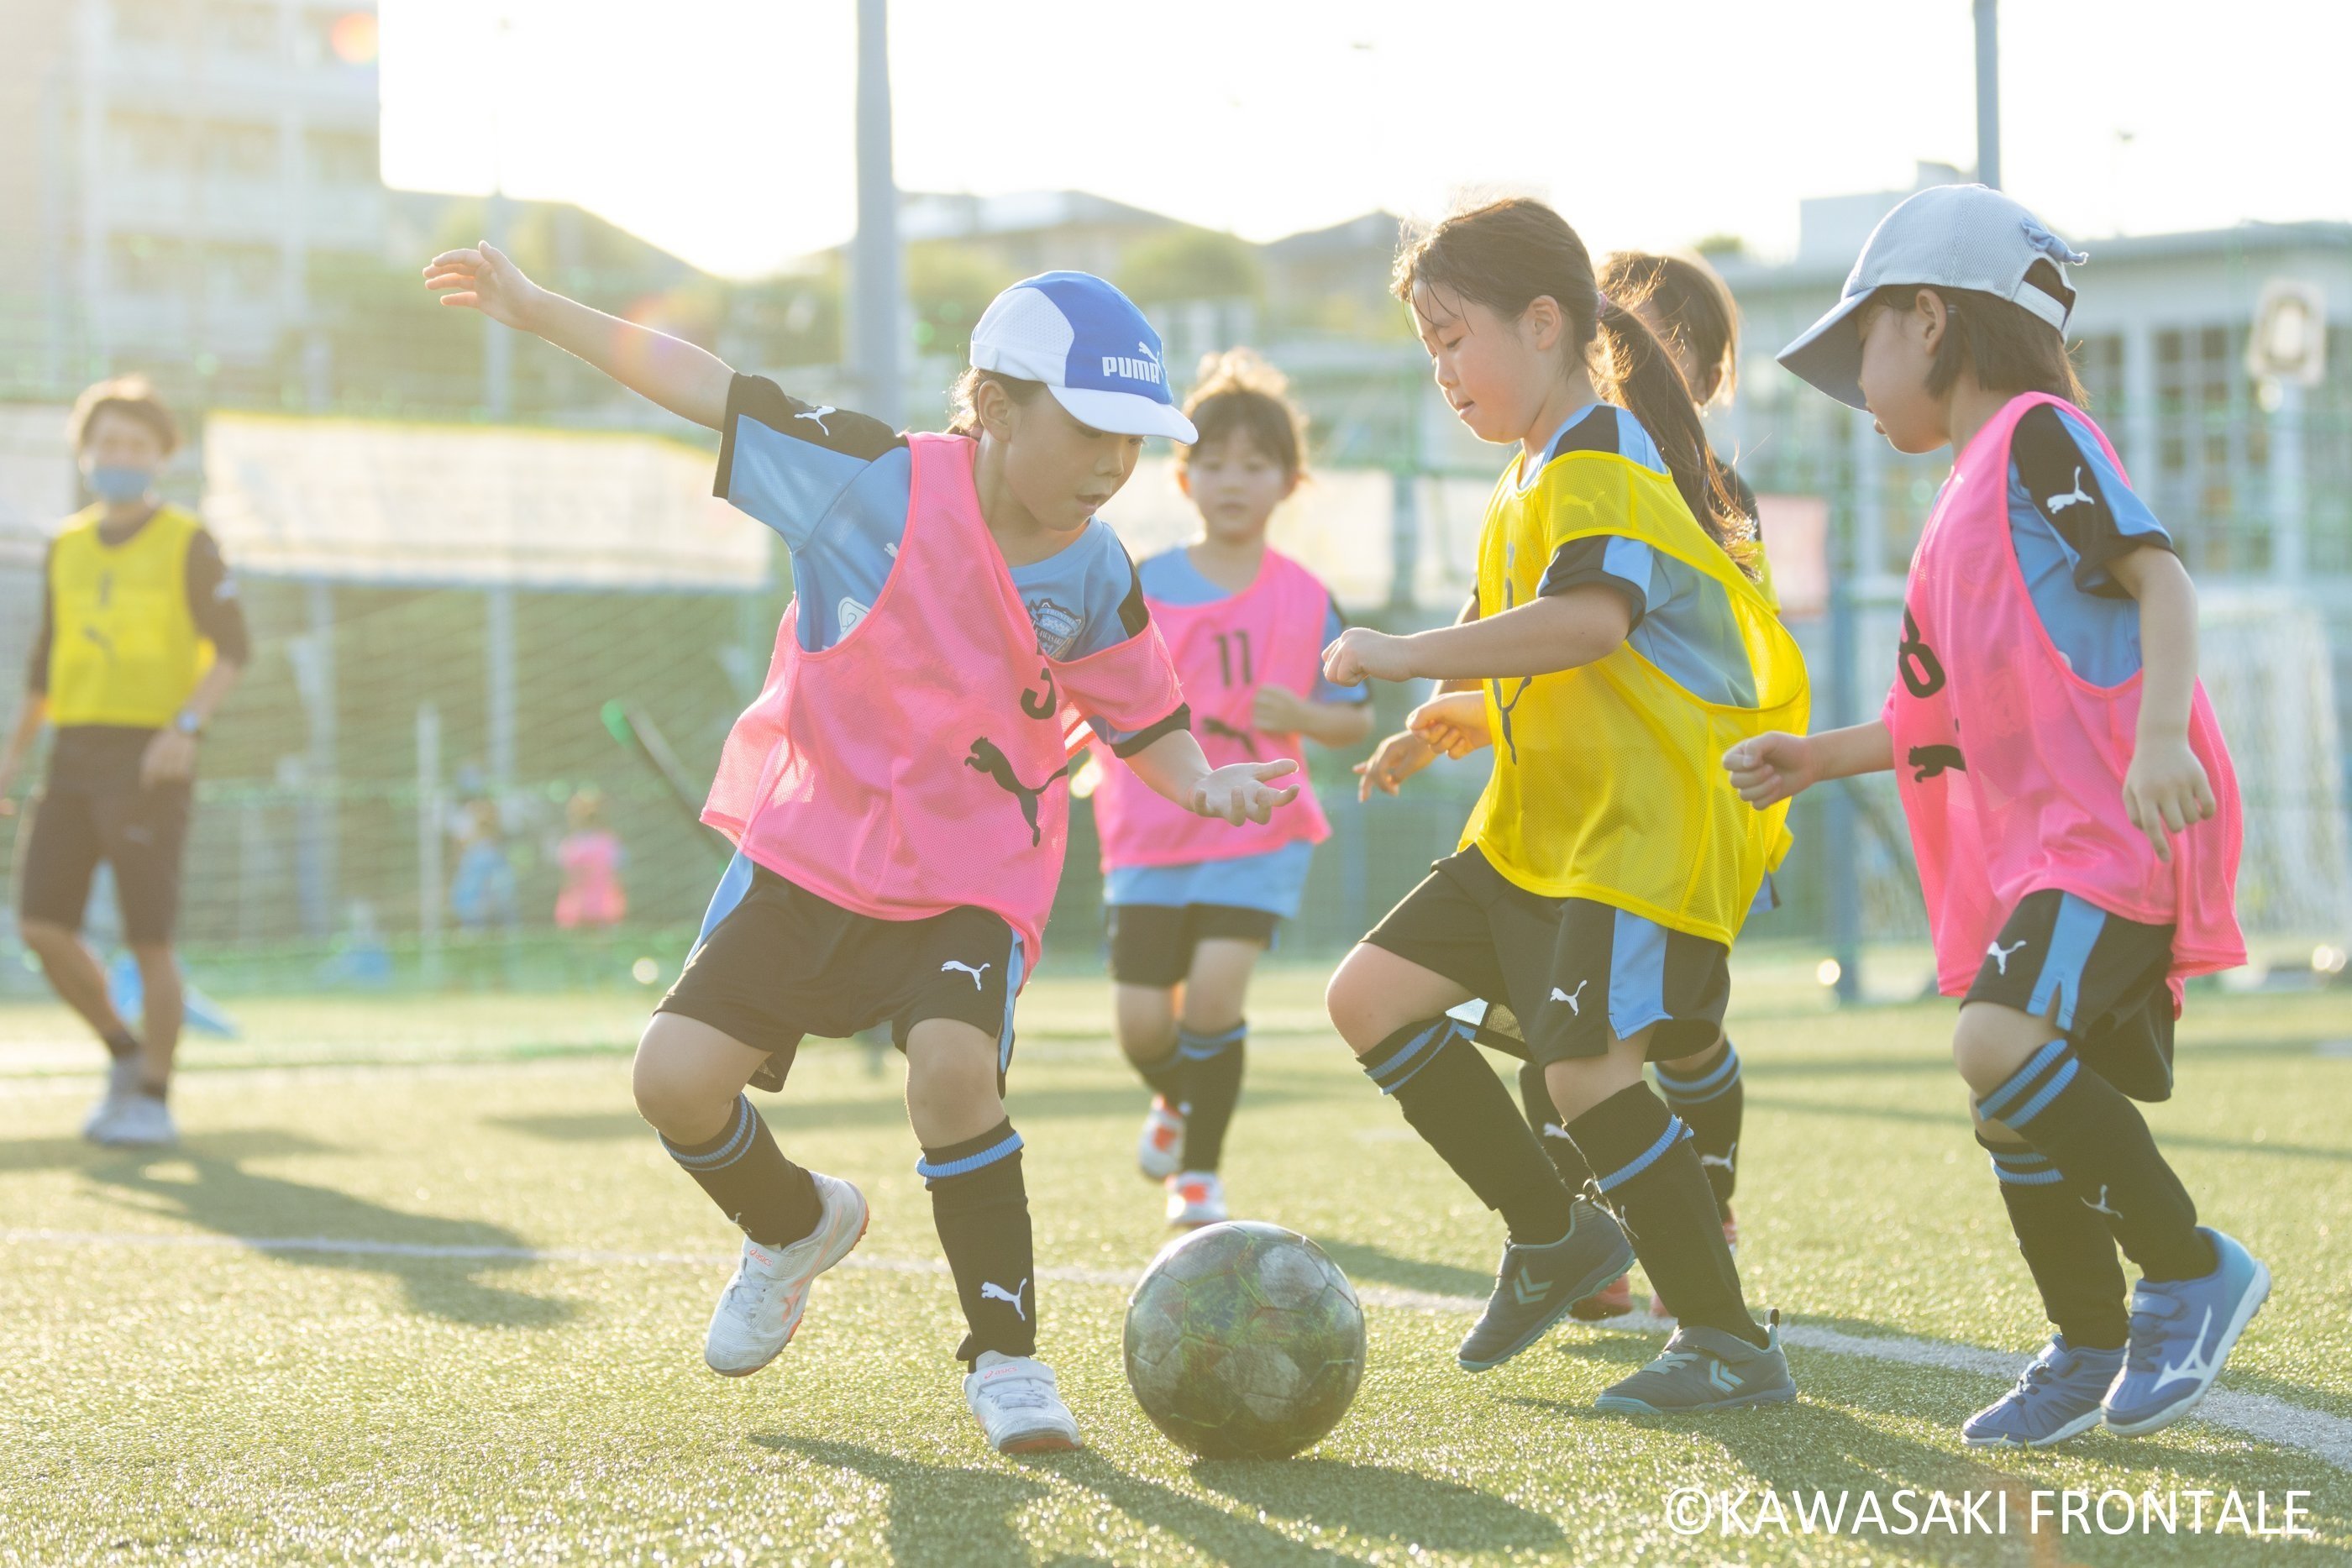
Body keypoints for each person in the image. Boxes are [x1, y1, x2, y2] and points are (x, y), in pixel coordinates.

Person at [424, 244, 1296, 1455]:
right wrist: (538, 305)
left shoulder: (1098, 570)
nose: (1114, 460)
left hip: (973, 869)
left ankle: (1009, 1357)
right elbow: (708, 385)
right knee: (672, 1079)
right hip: (809, 846)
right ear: (992, 406)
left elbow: (1143, 715)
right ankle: (794, 1225)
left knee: (951, 1071)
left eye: (1134, 437)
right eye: (1090, 424)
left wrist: (1209, 784)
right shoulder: (862, 481)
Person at [1730, 184, 2260, 1446]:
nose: (1857, 381)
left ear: (1929, 320)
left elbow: (2163, 577)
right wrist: (1817, 757)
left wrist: (2154, 739)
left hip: (2110, 833)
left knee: (1991, 1043)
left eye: (1862, 341)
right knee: (2003, 1090)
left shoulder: (2037, 433)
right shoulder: (1960, 502)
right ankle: (2085, 1344)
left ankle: (2188, 1268)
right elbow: (1948, 716)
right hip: (2043, 856)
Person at [1324, 197, 1807, 1413]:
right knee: (1368, 996)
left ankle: (1727, 1336)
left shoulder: (1599, 454)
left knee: (1590, 1074)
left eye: (1451, 336)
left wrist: (1408, 650)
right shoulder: (1534, 467)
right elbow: (1589, 667)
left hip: (1635, 839)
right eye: (1425, 345)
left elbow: (1594, 621)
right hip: (1546, 830)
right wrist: (1461, 715)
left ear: (1545, 322)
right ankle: (1555, 1233)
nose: (1440, 369)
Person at [1089, 350, 1372, 1228]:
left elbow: (1352, 717)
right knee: (1144, 1027)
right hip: (1148, 829)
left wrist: (1307, 714)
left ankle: (1199, 1176)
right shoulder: (1140, 581)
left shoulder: (1306, 597)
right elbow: (1099, 687)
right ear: (1182, 476)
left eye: (1254, 464)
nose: (1232, 480)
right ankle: (1177, 1099)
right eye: (1213, 462)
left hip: (1258, 833)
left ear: (1289, 480)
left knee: (1213, 998)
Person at [0, 377, 248, 1148]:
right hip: (71, 755)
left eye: (137, 446)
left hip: (151, 758)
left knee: (150, 939)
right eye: (107, 443)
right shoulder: (66, 545)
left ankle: (154, 1097)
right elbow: (44, 664)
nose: (120, 457)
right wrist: (12, 761)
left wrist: (184, 725)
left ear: (162, 457)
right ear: (85, 453)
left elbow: (236, 648)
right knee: (40, 925)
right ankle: (122, 1047)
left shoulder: (189, 542)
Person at [554, 787, 627, 983]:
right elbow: (616, 875)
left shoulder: (571, 844)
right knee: (602, 945)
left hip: (578, 903)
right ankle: (602, 979)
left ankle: (576, 979)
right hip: (602, 902)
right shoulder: (610, 843)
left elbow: (567, 877)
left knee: (578, 945)